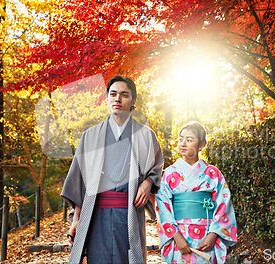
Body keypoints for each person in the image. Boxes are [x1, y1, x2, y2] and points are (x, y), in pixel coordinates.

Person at [61, 75, 164, 264]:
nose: (118, 99)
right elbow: (80, 181)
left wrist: (147, 183)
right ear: (107, 98)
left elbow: (156, 168)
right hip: (96, 214)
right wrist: (76, 219)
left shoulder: (145, 135)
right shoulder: (90, 136)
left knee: (129, 258)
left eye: (124, 95)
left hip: (130, 212)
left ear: (133, 101)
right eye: (113, 94)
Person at [156, 121, 237, 264]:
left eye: (189, 140)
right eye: (181, 139)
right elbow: (163, 206)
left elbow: (224, 204)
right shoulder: (170, 173)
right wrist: (176, 236)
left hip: (207, 234)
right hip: (179, 235)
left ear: (201, 145)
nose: (183, 143)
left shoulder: (212, 173)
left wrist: (213, 234)